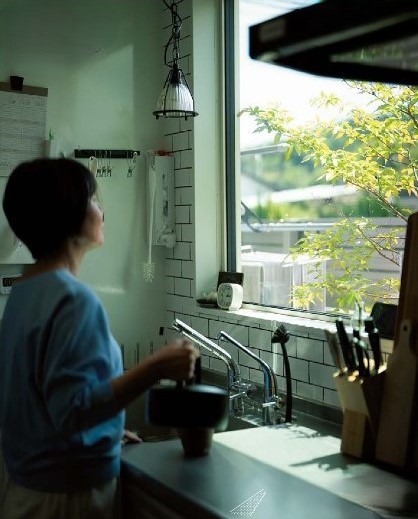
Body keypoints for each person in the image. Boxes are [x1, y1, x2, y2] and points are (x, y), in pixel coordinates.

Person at [0, 158, 199, 519]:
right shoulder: (72, 299)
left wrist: (104, 432)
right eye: (95, 200)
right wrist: (157, 367)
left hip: (28, 488)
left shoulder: (24, 292)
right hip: (67, 496)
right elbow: (74, 411)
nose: (102, 211)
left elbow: (41, 397)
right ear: (69, 213)